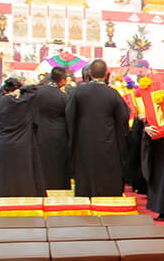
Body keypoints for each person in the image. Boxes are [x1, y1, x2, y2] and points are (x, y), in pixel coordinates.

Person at [66, 60, 129, 197]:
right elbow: (123, 118)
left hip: (84, 141)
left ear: (89, 73)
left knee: (85, 173)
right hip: (107, 141)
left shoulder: (78, 92)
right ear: (106, 74)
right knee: (106, 173)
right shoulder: (112, 94)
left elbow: (69, 116)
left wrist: (74, 137)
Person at [0, 77, 44, 197]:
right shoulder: (26, 102)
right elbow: (34, 89)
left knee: (3, 176)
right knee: (23, 176)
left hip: (3, 143)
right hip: (23, 144)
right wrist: (22, 90)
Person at [33, 67, 71, 191]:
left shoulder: (37, 92)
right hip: (58, 135)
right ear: (62, 80)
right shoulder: (63, 96)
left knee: (41, 164)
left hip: (39, 133)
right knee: (57, 166)